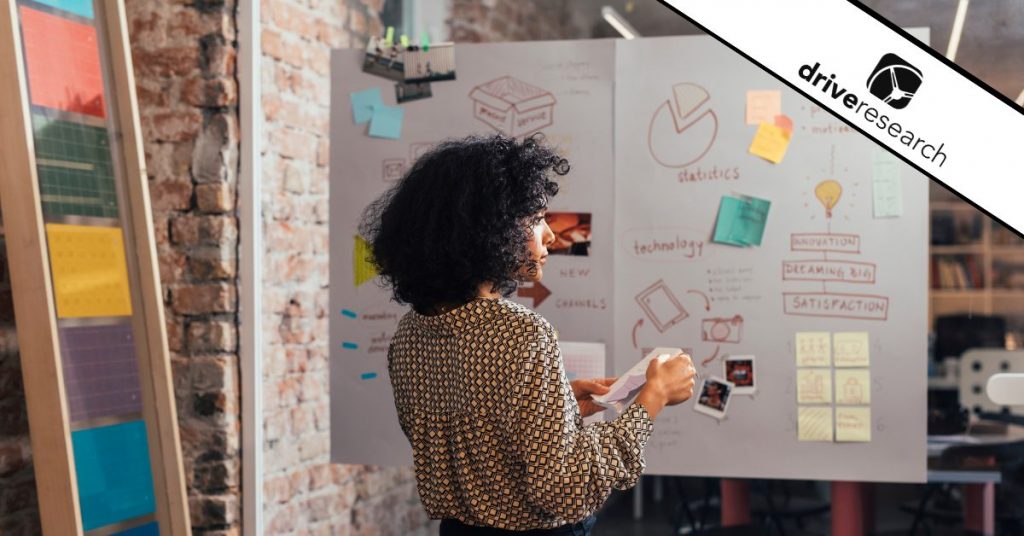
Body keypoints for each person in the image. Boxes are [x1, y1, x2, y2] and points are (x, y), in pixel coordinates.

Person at [360, 134, 696, 535]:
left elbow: (473, 435)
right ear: (489, 230)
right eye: (536, 220)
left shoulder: (410, 335)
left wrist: (557, 405)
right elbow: (564, 490)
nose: (551, 235)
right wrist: (651, 399)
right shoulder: (522, 333)